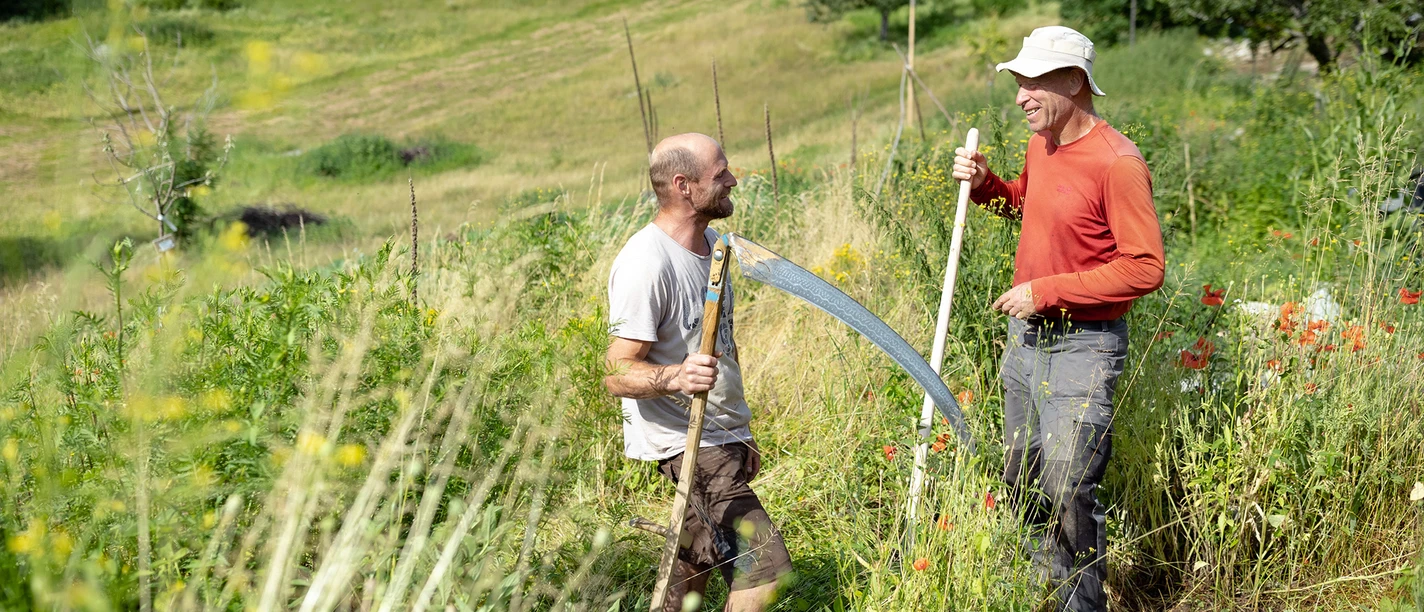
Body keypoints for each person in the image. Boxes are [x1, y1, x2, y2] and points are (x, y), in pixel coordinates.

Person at [951, 26, 1165, 611]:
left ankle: (1082, 603)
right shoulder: (1041, 144)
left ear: (1074, 82)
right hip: (1027, 342)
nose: (1020, 95)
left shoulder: (1117, 163)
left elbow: (1145, 269)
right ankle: (1044, 584)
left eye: (1032, 82)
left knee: (1069, 484)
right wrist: (984, 186)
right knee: (1022, 474)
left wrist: (1046, 291)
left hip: (1083, 345)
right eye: (1018, 82)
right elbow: (1027, 202)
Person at [604, 133, 792, 611]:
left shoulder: (711, 245)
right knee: (764, 565)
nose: (733, 180)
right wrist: (675, 378)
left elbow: (721, 345)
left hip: (717, 431)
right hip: (681, 438)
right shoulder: (646, 264)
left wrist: (739, 429)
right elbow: (614, 372)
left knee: (696, 560)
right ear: (684, 185)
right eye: (721, 173)